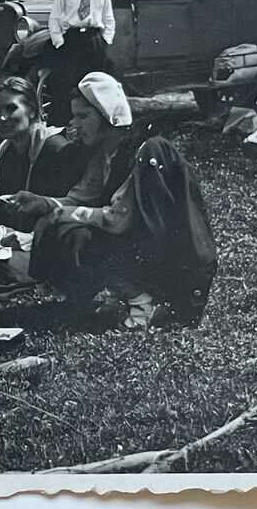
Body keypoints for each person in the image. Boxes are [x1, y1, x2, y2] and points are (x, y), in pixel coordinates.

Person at [13, 73, 218, 329]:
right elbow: (80, 197)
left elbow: (118, 220)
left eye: (83, 116)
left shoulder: (146, 150)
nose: (75, 123)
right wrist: (43, 204)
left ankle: (144, 302)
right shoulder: (104, 153)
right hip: (137, 243)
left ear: (107, 115)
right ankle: (99, 297)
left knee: (78, 236)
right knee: (64, 230)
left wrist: (60, 215)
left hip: (176, 258)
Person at [0, 76, 92, 293]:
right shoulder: (7, 149)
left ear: (31, 110)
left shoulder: (55, 149)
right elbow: (3, 205)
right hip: (11, 235)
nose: (2, 117)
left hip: (42, 242)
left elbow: (61, 212)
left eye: (11, 109)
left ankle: (21, 276)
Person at [48, 0, 116, 123]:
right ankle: (64, 123)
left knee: (96, 82)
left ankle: (96, 121)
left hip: (94, 41)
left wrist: (104, 40)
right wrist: (59, 42)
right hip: (72, 41)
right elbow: (55, 17)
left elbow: (109, 19)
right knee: (66, 83)